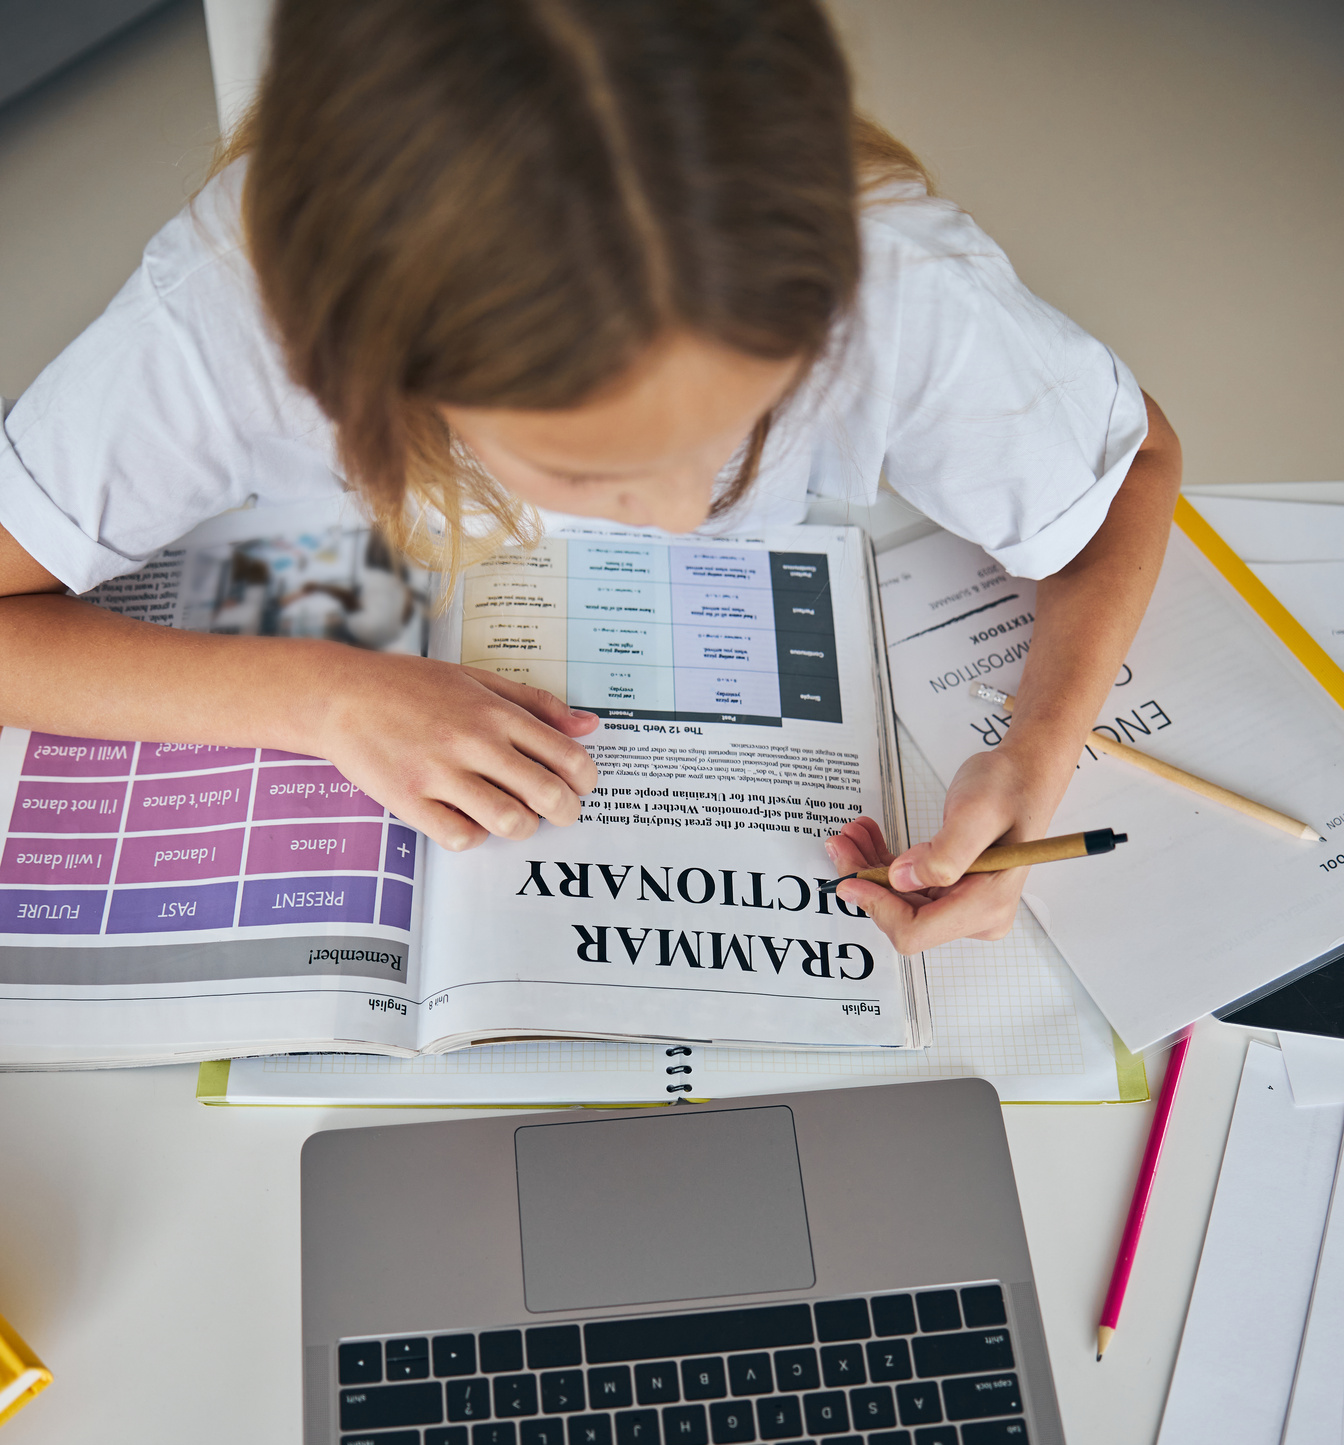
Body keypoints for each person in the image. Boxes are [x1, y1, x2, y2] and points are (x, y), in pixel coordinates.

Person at [0, 0, 1181, 955]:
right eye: (587, 467)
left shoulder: (891, 282)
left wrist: (1034, 750)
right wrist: (321, 699)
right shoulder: (227, 322)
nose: (679, 514)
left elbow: (1133, 469)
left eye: (746, 417)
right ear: (373, 364)